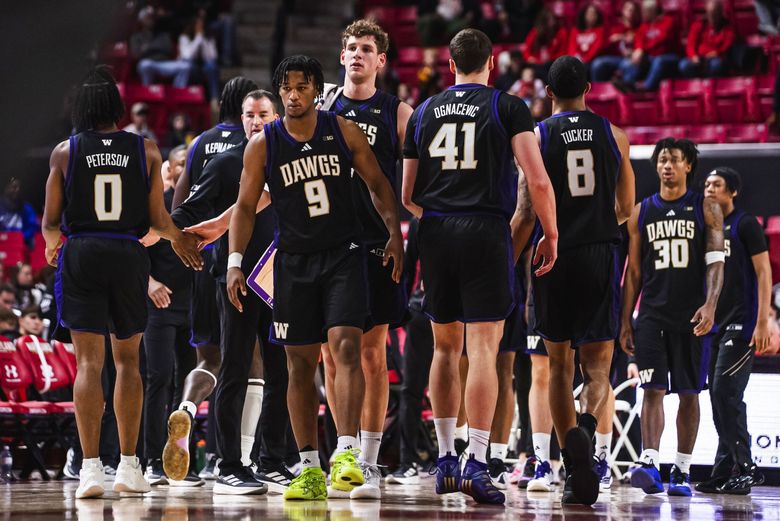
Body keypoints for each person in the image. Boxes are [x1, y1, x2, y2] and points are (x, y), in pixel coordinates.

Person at [227, 55, 404, 501]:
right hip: (292, 262)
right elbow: (245, 208)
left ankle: (346, 451)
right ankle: (308, 467)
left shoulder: (342, 130)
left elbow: (379, 184)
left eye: (302, 86)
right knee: (298, 365)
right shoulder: (263, 144)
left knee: (346, 345)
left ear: (316, 90)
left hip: (343, 256)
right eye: (286, 87)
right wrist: (233, 261)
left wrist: (394, 234)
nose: (292, 94)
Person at [402, 28, 557, 505]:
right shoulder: (507, 106)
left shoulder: (424, 111)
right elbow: (537, 180)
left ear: (450, 65)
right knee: (485, 350)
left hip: (436, 230)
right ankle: (476, 461)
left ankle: (445, 459)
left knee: (444, 349)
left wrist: (441, 219)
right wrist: (550, 235)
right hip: (486, 229)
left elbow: (408, 196)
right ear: (491, 62)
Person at [41, 66, 201, 499]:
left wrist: (52, 248)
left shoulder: (64, 152)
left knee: (89, 365)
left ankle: (90, 469)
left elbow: (51, 223)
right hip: (128, 254)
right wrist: (181, 240)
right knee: (130, 362)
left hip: (84, 253)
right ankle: (130, 466)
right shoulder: (146, 150)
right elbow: (158, 220)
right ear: (115, 106)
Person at [518, 56, 634, 505]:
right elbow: (625, 208)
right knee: (598, 368)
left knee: (558, 368)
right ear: (589, 88)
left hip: (553, 253)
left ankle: (573, 463)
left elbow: (527, 211)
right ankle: (587, 429)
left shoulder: (538, 137)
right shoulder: (614, 135)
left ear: (548, 93)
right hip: (600, 252)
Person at [317, 19, 414, 501]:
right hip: (327, 245)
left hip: (378, 244)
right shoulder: (322, 108)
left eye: (366, 48)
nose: (357, 54)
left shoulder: (397, 112)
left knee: (373, 356)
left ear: (381, 61)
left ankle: (369, 462)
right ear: (341, 57)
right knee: (332, 358)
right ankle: (343, 454)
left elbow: (415, 184)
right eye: (351, 47)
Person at [170, 89, 283, 495]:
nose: (256, 121)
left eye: (264, 114)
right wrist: (168, 235)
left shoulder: (288, 160)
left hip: (280, 278)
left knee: (277, 371)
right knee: (234, 367)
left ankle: (268, 460)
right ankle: (229, 463)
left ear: (277, 116)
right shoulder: (225, 162)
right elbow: (184, 211)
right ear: (240, 119)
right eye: (250, 115)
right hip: (231, 277)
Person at [163, 76, 258, 483]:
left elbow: (179, 203)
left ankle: (186, 408)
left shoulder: (200, 144)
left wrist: (185, 244)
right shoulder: (260, 147)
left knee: (209, 361)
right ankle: (241, 457)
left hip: (205, 264)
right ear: (247, 112)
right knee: (251, 367)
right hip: (246, 263)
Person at [620, 138, 724, 497]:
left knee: (689, 393)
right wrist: (625, 320)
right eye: (662, 160)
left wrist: (710, 305)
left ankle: (681, 469)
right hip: (651, 314)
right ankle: (649, 460)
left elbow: (716, 263)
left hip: (692, 314)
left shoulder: (707, 207)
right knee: (652, 389)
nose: (667, 166)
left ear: (688, 166)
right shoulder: (640, 211)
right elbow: (632, 272)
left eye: (674, 160)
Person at [695, 167, 770, 494]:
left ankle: (747, 467)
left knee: (726, 393)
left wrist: (763, 321)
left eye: (717, 185)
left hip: (742, 324)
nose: (710, 189)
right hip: (716, 325)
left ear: (733, 191)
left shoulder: (746, 224)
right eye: (707, 184)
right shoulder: (708, 228)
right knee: (717, 396)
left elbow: (764, 271)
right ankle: (725, 468)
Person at [141, 143, 199, 487]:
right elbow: (135, 247)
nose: (179, 170)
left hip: (192, 305)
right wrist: (149, 284)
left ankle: (183, 463)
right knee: (158, 378)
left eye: (185, 165)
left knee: (187, 386)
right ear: (166, 168)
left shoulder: (201, 206)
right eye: (176, 164)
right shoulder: (155, 206)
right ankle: (150, 461)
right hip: (159, 305)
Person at [614, 0, 680, 91]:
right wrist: (639, 50)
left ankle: (646, 86)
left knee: (658, 60)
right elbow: (639, 40)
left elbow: (662, 40)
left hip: (669, 57)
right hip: (650, 57)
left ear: (653, 11)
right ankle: (627, 83)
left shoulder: (668, 21)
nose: (643, 13)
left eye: (645, 11)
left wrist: (643, 49)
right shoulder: (644, 26)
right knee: (633, 60)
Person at [131, 6, 191, 89]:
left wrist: (147, 48)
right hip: (149, 63)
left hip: (164, 64)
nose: (150, 20)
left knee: (185, 67)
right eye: (147, 18)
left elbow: (168, 49)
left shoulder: (163, 35)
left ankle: (178, 93)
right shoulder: (136, 37)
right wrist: (156, 47)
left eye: (152, 18)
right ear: (141, 20)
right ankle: (148, 91)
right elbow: (136, 54)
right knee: (145, 65)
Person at [679, 0, 735, 78]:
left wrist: (717, 53)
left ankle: (709, 85)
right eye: (710, 13)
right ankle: (696, 85)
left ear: (720, 13)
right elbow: (691, 44)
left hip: (716, 57)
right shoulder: (698, 25)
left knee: (716, 64)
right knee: (684, 65)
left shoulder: (727, 27)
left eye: (715, 13)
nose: (712, 16)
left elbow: (726, 45)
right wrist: (693, 56)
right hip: (699, 58)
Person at [591, 0, 641, 82]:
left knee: (628, 65)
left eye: (633, 10)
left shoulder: (639, 28)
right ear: (623, 10)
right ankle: (598, 91)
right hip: (615, 58)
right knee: (598, 63)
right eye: (628, 9)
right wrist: (614, 39)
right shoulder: (615, 26)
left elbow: (640, 48)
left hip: (629, 59)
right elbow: (603, 45)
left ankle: (626, 90)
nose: (630, 12)